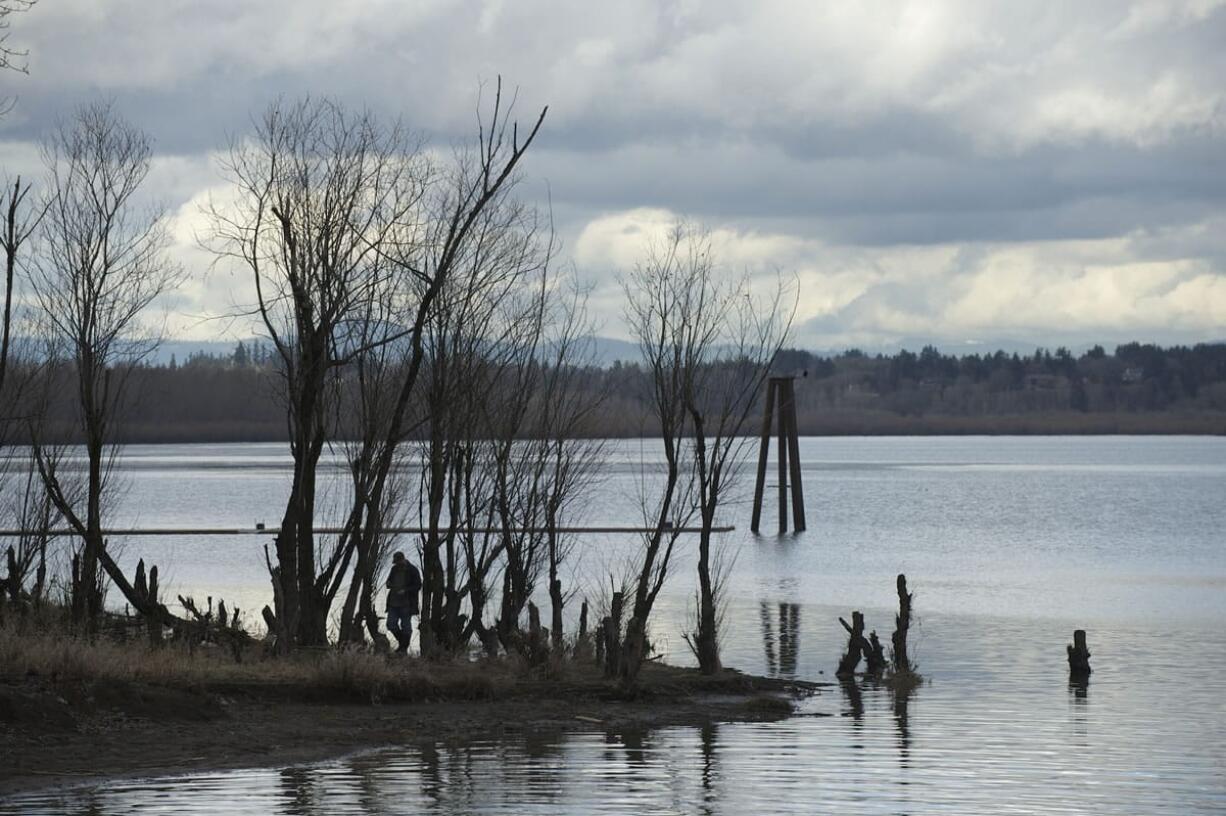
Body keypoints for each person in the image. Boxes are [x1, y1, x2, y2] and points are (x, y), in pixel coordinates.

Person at [385, 551, 421, 654]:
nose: (397, 564)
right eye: (395, 562)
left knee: (406, 627)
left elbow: (418, 585)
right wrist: (388, 583)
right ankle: (403, 645)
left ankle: (402, 650)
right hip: (393, 602)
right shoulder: (394, 569)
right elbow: (389, 581)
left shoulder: (413, 570)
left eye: (398, 562)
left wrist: (405, 590)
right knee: (391, 624)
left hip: (407, 603)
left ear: (403, 559)